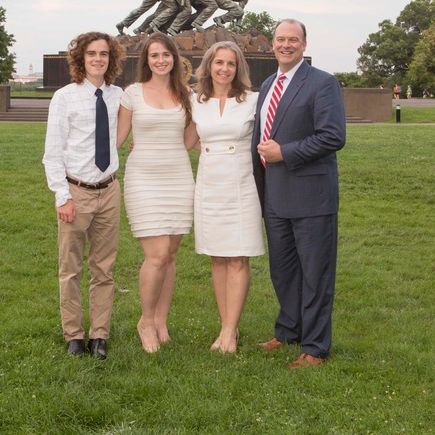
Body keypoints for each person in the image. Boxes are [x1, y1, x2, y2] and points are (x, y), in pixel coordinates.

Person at [253, 19, 346, 369]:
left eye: (293, 40)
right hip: (275, 197)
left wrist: (286, 152)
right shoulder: (267, 84)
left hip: (311, 197)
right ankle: (288, 330)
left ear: (304, 45)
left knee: (315, 274)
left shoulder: (322, 83)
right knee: (284, 271)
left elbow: (333, 136)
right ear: (272, 45)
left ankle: (316, 347)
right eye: (280, 39)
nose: (286, 45)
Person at [43, 31, 125, 360]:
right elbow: (53, 153)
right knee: (71, 268)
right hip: (76, 192)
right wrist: (62, 196)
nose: (98, 59)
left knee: (104, 269)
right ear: (81, 59)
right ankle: (74, 334)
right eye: (91, 54)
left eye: (104, 54)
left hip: (109, 190)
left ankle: (99, 335)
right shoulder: (65, 97)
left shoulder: (120, 96)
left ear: (111, 59)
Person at [115, 34, 197, 353]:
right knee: (158, 253)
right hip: (143, 177)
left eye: (166, 54)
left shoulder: (186, 94)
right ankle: (145, 321)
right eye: (154, 55)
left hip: (177, 175)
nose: (160, 60)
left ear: (174, 58)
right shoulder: (132, 94)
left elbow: (190, 138)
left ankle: (161, 320)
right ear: (145, 61)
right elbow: (118, 138)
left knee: (171, 254)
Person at [191, 41, 265, 353]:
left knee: (237, 256)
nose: (224, 68)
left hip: (241, 183)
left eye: (230, 64)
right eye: (218, 62)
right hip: (209, 184)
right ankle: (225, 330)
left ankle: (230, 331)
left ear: (238, 69)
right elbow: (186, 138)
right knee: (218, 257)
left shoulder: (252, 100)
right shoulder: (195, 101)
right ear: (208, 66)